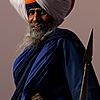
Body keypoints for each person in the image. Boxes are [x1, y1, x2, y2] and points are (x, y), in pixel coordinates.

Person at [9, 0, 100, 100]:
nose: (35, 18)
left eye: (42, 12)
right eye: (31, 12)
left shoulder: (63, 42)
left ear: (52, 14)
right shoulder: (30, 50)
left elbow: (80, 87)